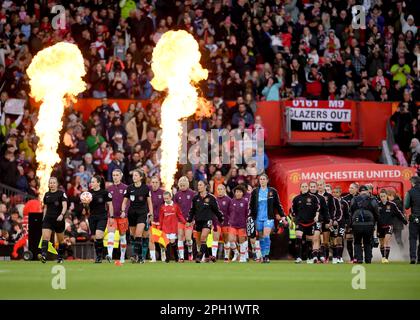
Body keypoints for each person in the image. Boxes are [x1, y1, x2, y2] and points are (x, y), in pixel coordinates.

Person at [249, 174, 286, 263]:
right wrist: (250, 216)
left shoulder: (272, 191)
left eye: (263, 179)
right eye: (260, 179)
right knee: (261, 236)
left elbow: (278, 204)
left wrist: (283, 215)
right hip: (258, 218)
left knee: (266, 235)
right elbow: (251, 205)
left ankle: (266, 256)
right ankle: (262, 255)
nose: (262, 180)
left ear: (267, 180)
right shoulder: (255, 191)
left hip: (269, 217)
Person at [187, 180, 223, 263]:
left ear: (205, 186)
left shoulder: (211, 198)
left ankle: (199, 257)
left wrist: (221, 218)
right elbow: (192, 210)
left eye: (200, 185)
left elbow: (216, 210)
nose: (198, 186)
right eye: (198, 185)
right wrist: (189, 220)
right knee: (200, 241)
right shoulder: (195, 198)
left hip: (208, 220)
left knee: (203, 237)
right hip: (198, 221)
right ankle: (209, 255)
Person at [121, 169, 153, 263]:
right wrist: (123, 211)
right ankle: (136, 255)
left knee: (139, 234)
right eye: (133, 175)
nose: (134, 177)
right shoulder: (129, 188)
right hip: (132, 213)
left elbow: (149, 202)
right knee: (133, 235)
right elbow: (124, 202)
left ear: (141, 177)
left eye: (136, 175)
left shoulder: (146, 188)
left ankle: (139, 256)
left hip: (142, 213)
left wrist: (150, 213)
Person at [84, 175, 114, 263]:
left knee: (98, 235)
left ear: (98, 183)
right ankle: (103, 255)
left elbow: (110, 205)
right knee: (95, 238)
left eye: (93, 182)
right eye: (91, 182)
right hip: (92, 217)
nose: (91, 183)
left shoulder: (105, 193)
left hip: (102, 217)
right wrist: (85, 204)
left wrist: (111, 216)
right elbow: (86, 209)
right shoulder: (89, 193)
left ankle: (99, 258)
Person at [38, 177, 68, 263]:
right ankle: (44, 256)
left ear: (57, 184)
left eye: (54, 183)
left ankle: (60, 257)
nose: (52, 184)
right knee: (45, 237)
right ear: (48, 184)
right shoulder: (46, 194)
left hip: (58, 219)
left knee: (61, 240)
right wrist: (44, 218)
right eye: (50, 183)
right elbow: (46, 207)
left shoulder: (61, 194)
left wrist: (62, 215)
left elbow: (65, 205)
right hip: (48, 219)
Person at [291, 182, 320, 263]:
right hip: (300, 222)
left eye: (306, 186)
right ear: (300, 188)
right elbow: (293, 210)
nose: (304, 187)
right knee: (298, 237)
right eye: (303, 186)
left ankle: (309, 257)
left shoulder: (313, 198)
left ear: (308, 187)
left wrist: (316, 216)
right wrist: (294, 219)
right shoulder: (296, 198)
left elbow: (317, 209)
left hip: (310, 222)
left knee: (309, 240)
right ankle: (298, 257)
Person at [350, 185, 378, 264]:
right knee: (367, 242)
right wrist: (374, 222)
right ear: (367, 191)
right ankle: (368, 260)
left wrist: (351, 224)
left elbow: (351, 212)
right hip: (369, 225)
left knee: (357, 242)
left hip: (356, 224)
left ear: (359, 192)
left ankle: (359, 259)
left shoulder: (354, 199)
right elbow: (376, 213)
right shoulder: (372, 200)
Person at [377, 189, 407, 263]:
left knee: (386, 241)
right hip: (380, 227)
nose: (382, 197)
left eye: (384, 196)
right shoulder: (377, 205)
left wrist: (405, 221)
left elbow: (399, 214)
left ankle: (386, 259)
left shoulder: (392, 205)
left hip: (389, 226)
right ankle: (383, 257)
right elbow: (374, 216)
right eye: (381, 196)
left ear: (386, 196)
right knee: (381, 243)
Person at [106, 169, 128, 264]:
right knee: (111, 235)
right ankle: (110, 255)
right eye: (113, 175)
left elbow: (128, 202)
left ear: (121, 176)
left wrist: (125, 212)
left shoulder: (126, 188)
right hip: (112, 216)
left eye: (117, 175)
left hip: (122, 216)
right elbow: (106, 203)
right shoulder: (109, 189)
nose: (115, 177)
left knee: (122, 237)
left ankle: (122, 256)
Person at [159, 191, 186, 263]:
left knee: (173, 242)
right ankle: (167, 259)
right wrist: (160, 227)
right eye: (164, 199)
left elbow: (179, 215)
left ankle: (176, 258)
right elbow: (161, 218)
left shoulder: (175, 206)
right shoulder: (162, 207)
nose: (166, 200)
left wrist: (185, 222)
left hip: (173, 227)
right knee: (167, 243)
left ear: (171, 197)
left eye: (167, 198)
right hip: (165, 228)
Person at [175, 176, 196, 261]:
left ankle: (190, 251)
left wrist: (193, 219)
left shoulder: (192, 194)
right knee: (180, 237)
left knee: (188, 238)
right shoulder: (176, 195)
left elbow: (196, 207)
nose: (182, 186)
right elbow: (175, 208)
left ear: (187, 184)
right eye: (181, 185)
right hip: (180, 220)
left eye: (184, 185)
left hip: (189, 220)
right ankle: (182, 257)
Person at [308, 181, 329, 263]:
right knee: (310, 240)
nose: (312, 188)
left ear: (316, 187)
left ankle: (315, 257)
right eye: (311, 186)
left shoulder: (321, 198)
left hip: (318, 221)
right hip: (307, 222)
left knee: (316, 238)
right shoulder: (306, 196)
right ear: (309, 187)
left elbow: (325, 211)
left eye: (314, 186)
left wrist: (327, 221)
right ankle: (314, 255)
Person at [227, 185, 249, 263]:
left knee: (241, 241)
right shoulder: (232, 201)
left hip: (242, 225)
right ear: (235, 193)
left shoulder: (245, 202)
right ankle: (236, 253)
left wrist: (247, 223)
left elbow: (247, 214)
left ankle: (243, 257)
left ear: (242, 193)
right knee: (230, 239)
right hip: (233, 224)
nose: (238, 193)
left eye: (240, 192)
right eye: (237, 192)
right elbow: (228, 212)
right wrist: (230, 219)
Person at [317, 180, 335, 263]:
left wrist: (330, 220)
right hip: (317, 220)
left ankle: (326, 257)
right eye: (318, 185)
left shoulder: (329, 196)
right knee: (317, 240)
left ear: (324, 185)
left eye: (321, 185)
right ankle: (319, 257)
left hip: (326, 221)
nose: (320, 186)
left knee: (325, 241)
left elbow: (332, 209)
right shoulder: (314, 195)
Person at [404, 176, 420, 264]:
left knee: (413, 239)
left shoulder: (410, 192)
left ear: (412, 183)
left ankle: (413, 258)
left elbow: (406, 206)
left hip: (415, 218)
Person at [149, 176, 165, 262]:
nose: (154, 184)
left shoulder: (163, 193)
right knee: (151, 239)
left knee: (160, 240)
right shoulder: (148, 193)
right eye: (153, 182)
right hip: (151, 220)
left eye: (156, 182)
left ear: (159, 183)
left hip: (161, 220)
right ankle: (153, 257)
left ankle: (163, 255)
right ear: (150, 183)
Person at [215, 184, 232, 262]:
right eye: (218, 189)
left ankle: (226, 257)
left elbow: (231, 212)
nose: (220, 191)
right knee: (215, 238)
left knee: (226, 240)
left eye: (221, 189)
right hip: (217, 222)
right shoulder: (214, 199)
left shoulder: (228, 200)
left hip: (226, 222)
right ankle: (213, 257)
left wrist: (231, 221)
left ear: (224, 190)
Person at [343, 183, 359, 263]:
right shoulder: (345, 198)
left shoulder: (360, 198)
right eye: (349, 188)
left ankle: (357, 257)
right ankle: (352, 258)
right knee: (349, 240)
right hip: (349, 223)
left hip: (358, 222)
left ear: (356, 189)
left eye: (352, 188)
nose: (350, 189)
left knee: (357, 241)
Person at [331, 186, 347, 264]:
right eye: (333, 192)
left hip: (341, 223)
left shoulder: (344, 203)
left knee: (340, 239)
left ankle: (340, 257)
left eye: (337, 192)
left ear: (340, 193)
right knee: (334, 240)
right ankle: (334, 257)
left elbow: (347, 215)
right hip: (333, 224)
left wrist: (347, 224)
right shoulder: (331, 202)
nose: (335, 194)